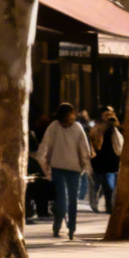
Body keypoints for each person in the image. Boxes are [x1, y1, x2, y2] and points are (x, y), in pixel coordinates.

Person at [38, 103, 93, 240]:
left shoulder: (75, 128)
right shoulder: (55, 127)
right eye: (67, 118)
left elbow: (84, 149)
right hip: (59, 168)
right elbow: (45, 148)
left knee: (70, 200)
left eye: (71, 118)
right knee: (63, 199)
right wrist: (46, 168)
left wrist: (86, 167)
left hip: (72, 169)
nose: (69, 121)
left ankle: (70, 228)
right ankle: (61, 225)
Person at [89, 109, 124, 214]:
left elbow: (120, 144)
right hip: (99, 161)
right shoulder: (98, 129)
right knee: (99, 186)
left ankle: (109, 206)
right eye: (106, 116)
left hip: (111, 162)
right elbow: (94, 143)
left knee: (109, 186)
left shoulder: (116, 130)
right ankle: (98, 204)